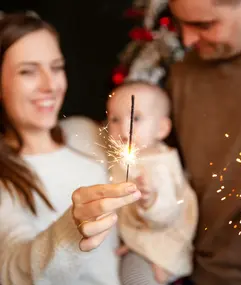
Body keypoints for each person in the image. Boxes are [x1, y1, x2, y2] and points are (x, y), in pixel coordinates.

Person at [0, 13, 141, 285]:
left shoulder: (86, 131)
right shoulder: (6, 178)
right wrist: (71, 231)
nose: (50, 85)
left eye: (56, 67)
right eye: (27, 71)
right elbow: (13, 269)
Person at [167, 0, 241, 284]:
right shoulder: (183, 73)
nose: (186, 40)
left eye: (203, 25)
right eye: (179, 23)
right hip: (201, 274)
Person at [106, 81, 198, 285]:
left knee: (134, 280)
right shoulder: (128, 157)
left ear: (162, 128)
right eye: (114, 119)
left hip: (160, 247)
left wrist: (151, 199)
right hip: (138, 239)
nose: (123, 129)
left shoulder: (158, 166)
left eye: (136, 118)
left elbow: (166, 214)